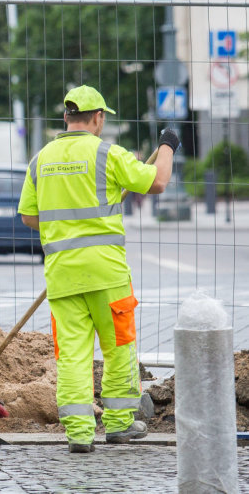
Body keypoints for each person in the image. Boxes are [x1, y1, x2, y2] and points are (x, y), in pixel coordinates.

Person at [18, 85, 178, 453]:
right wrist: (167, 145)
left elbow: (29, 217)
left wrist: (65, 221)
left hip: (62, 276)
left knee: (72, 354)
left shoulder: (40, 159)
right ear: (98, 118)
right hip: (107, 274)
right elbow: (158, 181)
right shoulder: (107, 153)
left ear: (66, 118)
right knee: (118, 346)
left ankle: (78, 432)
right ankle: (120, 424)